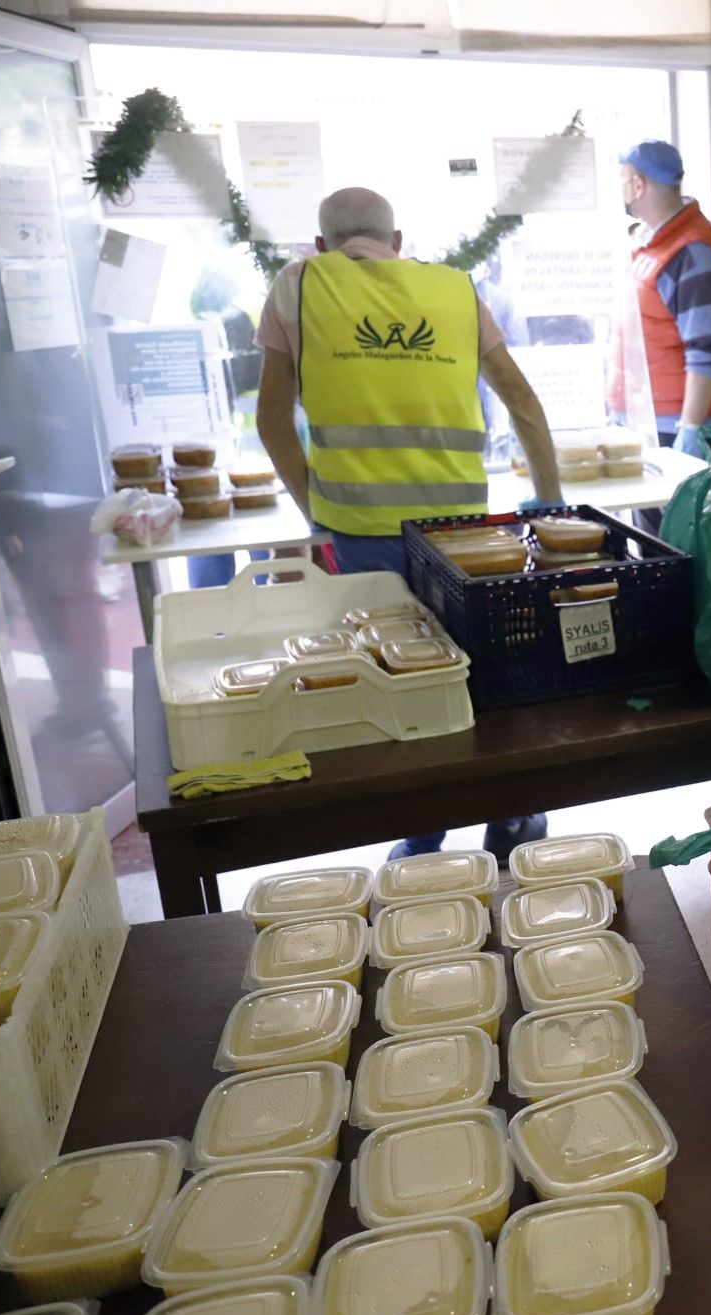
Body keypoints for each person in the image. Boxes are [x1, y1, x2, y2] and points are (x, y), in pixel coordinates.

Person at [255, 186, 562, 862]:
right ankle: (513, 818)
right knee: (481, 674)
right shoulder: (455, 290)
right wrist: (548, 497)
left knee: (396, 681)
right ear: (398, 242)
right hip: (459, 529)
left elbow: (272, 419)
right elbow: (521, 399)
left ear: (319, 244)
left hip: (360, 529)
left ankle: (423, 833)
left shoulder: (297, 286)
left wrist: (316, 508)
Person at [617, 140, 711, 460]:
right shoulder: (655, 246)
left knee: (681, 514)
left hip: (677, 425)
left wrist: (691, 428)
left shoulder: (691, 253)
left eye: (623, 181)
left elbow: (706, 350)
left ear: (638, 185)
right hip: (653, 420)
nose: (622, 190)